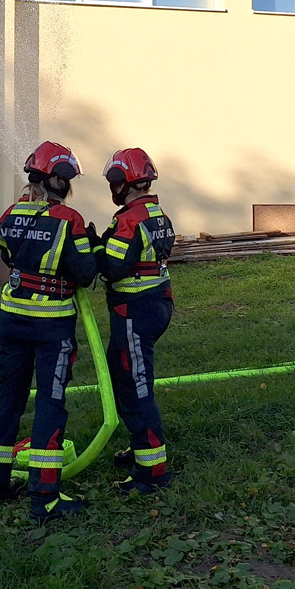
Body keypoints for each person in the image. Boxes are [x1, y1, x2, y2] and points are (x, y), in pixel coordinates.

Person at [0, 141, 97, 521]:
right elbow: (84, 275)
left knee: (9, 398)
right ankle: (44, 499)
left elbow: (7, 255)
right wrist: (90, 249)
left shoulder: (10, 214)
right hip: (52, 325)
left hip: (11, 317)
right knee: (50, 402)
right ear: (59, 180)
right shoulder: (69, 220)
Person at [94, 148, 176, 495]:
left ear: (121, 183)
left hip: (134, 311)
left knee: (135, 384)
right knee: (127, 376)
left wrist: (94, 246)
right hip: (155, 304)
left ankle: (153, 470)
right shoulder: (155, 213)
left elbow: (113, 266)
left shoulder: (129, 220)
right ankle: (141, 447)